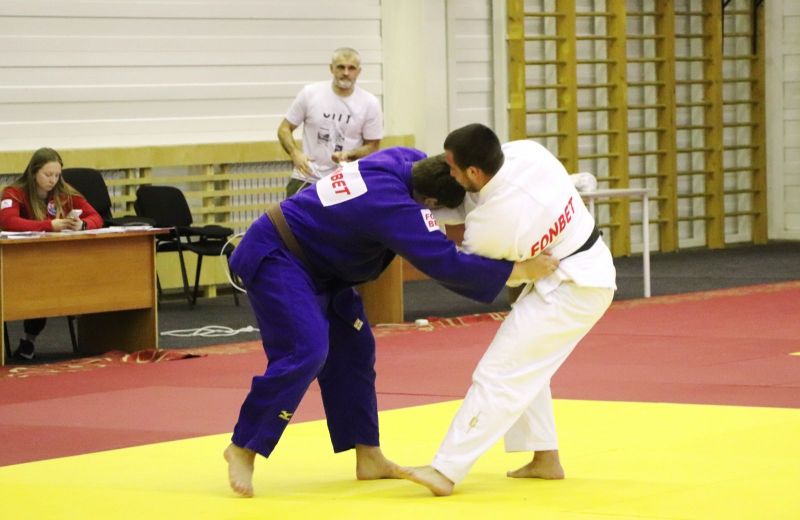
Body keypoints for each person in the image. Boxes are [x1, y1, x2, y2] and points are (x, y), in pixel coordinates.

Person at [223, 146, 560, 497]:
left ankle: (368, 455)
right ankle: (243, 447)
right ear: (429, 201)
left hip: (324, 264)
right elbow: (447, 264)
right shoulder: (393, 207)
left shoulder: (407, 159)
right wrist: (518, 270)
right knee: (306, 351)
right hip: (279, 255)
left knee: (355, 349)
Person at [398, 124, 617, 496]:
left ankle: (446, 470)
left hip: (574, 287)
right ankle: (545, 458)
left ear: (473, 171)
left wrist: (417, 218)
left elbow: (480, 269)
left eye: (452, 168)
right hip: (584, 269)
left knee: (499, 372)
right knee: (529, 367)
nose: (448, 173)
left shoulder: (497, 224)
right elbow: (473, 201)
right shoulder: (527, 152)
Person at [0, 147, 103, 360]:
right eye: (48, 174)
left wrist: (82, 225)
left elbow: (96, 217)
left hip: (55, 260)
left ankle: (30, 340)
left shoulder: (64, 192)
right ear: (33, 172)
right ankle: (29, 340)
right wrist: (49, 225)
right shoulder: (13, 192)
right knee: (39, 287)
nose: (53, 180)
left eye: (57, 175)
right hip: (22, 261)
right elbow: (8, 221)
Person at [277, 47, 383, 197]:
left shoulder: (370, 103)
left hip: (346, 181)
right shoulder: (310, 93)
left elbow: (373, 146)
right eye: (341, 67)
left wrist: (349, 154)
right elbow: (284, 129)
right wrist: (295, 154)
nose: (346, 73)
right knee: (292, 212)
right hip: (308, 177)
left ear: (358, 71)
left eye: (351, 68)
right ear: (331, 68)